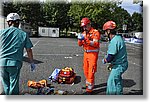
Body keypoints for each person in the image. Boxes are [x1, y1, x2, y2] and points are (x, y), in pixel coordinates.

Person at [0, 13, 36, 95]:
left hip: (1, 62)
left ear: (8, 22)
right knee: (14, 85)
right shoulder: (23, 34)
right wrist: (32, 62)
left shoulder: (1, 32)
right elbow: (29, 50)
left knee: (6, 85)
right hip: (15, 63)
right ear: (18, 22)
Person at [102, 21, 128, 95]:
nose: (105, 33)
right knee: (118, 81)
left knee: (111, 83)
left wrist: (105, 60)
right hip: (122, 64)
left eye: (105, 31)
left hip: (119, 66)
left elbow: (110, 56)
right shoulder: (119, 38)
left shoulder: (114, 41)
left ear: (109, 31)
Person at [78, 17, 100, 94]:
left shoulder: (95, 32)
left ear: (89, 24)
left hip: (92, 55)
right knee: (85, 70)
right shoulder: (83, 33)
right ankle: (89, 85)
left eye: (85, 26)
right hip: (85, 54)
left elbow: (95, 44)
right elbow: (80, 45)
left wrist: (85, 40)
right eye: (83, 27)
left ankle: (89, 90)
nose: (84, 28)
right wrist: (80, 40)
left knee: (91, 71)